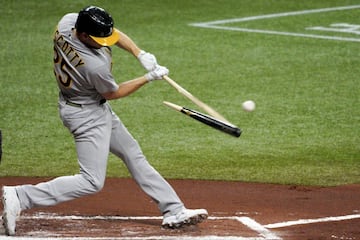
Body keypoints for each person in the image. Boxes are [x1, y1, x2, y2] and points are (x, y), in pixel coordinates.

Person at [2, 6, 208, 236]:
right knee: (91, 181)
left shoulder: (67, 22)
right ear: (83, 35)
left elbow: (115, 34)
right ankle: (21, 195)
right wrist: (147, 77)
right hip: (86, 115)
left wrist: (139, 53)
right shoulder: (94, 66)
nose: (106, 43)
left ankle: (173, 209)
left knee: (132, 154)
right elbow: (113, 93)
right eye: (99, 39)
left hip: (86, 106)